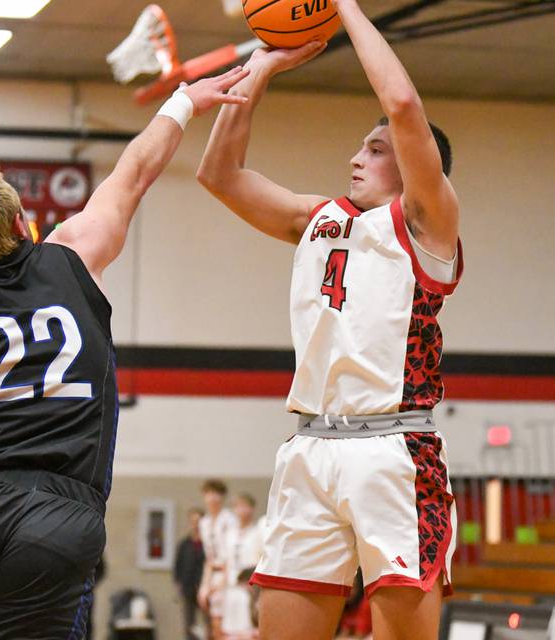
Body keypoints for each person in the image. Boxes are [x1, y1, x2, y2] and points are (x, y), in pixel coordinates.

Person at [0, 67, 250, 640]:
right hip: (61, 519)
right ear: (20, 222)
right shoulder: (73, 256)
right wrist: (183, 101)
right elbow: (133, 172)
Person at [197, 0, 462, 637]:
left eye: (374, 150)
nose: (356, 157)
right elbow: (218, 174)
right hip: (310, 448)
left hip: (394, 449)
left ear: (412, 163)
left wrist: (343, 6)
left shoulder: (427, 222)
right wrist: (260, 72)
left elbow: (402, 107)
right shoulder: (321, 218)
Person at [198, 479, 237, 640]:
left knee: (225, 624)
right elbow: (208, 558)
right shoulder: (204, 522)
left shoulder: (229, 519)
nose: (212, 498)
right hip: (213, 573)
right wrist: (204, 585)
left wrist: (224, 582)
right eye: (209, 494)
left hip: (229, 574)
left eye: (216, 494)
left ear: (222, 497)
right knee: (212, 623)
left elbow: (231, 554)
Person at [221, 494, 264, 639]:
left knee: (248, 629)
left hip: (249, 587)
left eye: (245, 506)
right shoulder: (229, 534)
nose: (242, 510)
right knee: (229, 630)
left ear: (252, 509)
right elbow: (225, 561)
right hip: (231, 586)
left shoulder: (258, 532)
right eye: (238, 506)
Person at [174, 508, 207, 640]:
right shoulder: (184, 544)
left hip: (204, 588)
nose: (196, 524)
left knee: (207, 622)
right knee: (189, 623)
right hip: (188, 588)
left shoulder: (207, 543)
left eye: (199, 521)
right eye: (193, 521)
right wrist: (179, 584)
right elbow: (178, 566)